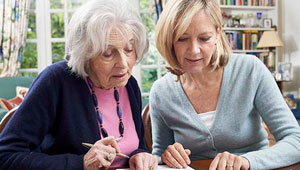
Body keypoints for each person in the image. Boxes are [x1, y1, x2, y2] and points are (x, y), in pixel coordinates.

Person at [0, 0, 158, 169]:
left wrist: (139, 155)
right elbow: (6, 156)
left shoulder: (129, 85)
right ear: (85, 55)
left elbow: (136, 145)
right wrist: (80, 163)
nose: (124, 64)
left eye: (129, 50)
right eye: (108, 54)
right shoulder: (55, 81)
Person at [150, 0, 300, 169]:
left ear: (217, 34)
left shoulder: (250, 70)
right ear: (169, 40)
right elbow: (159, 156)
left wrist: (247, 161)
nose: (194, 50)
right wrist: (167, 156)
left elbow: (295, 140)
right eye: (182, 39)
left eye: (204, 38)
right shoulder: (161, 91)